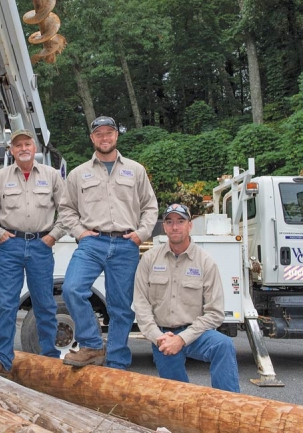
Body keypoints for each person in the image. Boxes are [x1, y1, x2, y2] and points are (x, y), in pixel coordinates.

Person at [59, 116, 158, 369]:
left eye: (109, 133)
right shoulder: (78, 174)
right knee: (72, 289)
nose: (105, 137)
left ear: (116, 136)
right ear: (92, 138)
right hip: (92, 243)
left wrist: (141, 234)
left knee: (121, 307)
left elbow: (150, 207)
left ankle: (116, 362)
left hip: (126, 244)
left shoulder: (135, 170)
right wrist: (80, 232)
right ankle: (92, 345)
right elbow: (66, 209)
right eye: (99, 133)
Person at [0, 129, 66, 375]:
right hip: (10, 246)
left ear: (34, 148)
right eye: (18, 145)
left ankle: (49, 360)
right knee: (5, 304)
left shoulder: (52, 176)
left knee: (45, 305)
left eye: (27, 144)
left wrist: (53, 236)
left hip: (40, 246)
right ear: (11, 151)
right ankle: (2, 360)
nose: (23, 148)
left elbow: (67, 209)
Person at [133, 203, 240, 392]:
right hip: (163, 337)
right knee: (177, 398)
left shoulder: (206, 262)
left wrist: (182, 339)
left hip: (196, 334)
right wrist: (158, 338)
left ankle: (229, 405)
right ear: (164, 227)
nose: (175, 227)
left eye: (180, 221)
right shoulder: (149, 260)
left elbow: (215, 314)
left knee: (223, 345)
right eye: (170, 222)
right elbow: (141, 305)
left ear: (190, 225)